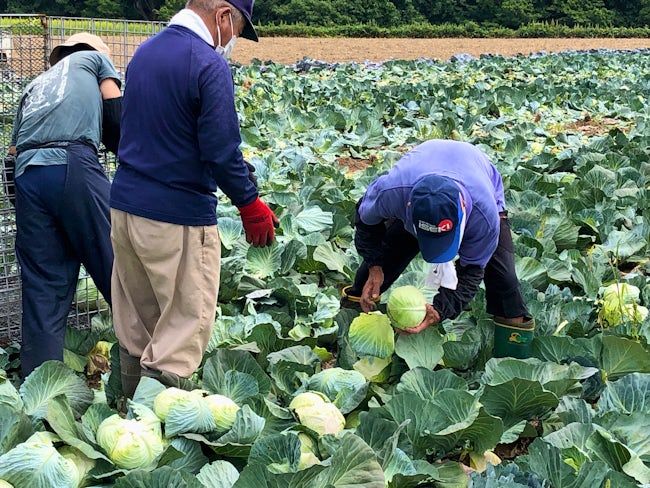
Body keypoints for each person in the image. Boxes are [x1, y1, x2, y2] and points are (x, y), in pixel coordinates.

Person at [111, 0, 277, 396]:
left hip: (125, 211)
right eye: (236, 30)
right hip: (176, 217)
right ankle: (153, 424)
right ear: (222, 16)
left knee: (138, 325)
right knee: (182, 330)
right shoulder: (207, 63)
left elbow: (161, 131)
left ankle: (127, 409)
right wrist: (249, 203)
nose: (232, 40)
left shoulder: (145, 54)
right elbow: (220, 149)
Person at [341, 140, 535, 358]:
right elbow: (366, 224)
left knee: (504, 280)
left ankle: (512, 356)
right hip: (420, 179)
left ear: (463, 211)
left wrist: (440, 310)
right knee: (378, 266)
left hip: (476, 177)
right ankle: (349, 332)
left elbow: (471, 272)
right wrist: (375, 266)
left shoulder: (484, 217)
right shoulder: (392, 192)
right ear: (408, 208)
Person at [3, 33, 122, 377]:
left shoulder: (35, 85)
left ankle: (40, 389)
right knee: (119, 264)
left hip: (27, 176)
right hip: (73, 164)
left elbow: (10, 157)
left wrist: (35, 213)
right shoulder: (95, 61)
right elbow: (116, 120)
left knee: (43, 290)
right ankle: (151, 365)